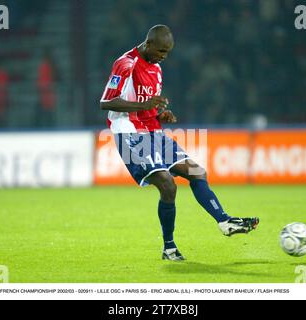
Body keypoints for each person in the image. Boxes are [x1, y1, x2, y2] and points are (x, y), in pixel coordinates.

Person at [100, 25, 259, 261]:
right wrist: (144, 107)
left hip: (153, 131)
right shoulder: (126, 63)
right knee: (167, 184)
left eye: (168, 52)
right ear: (148, 43)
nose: (164, 56)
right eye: (161, 51)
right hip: (129, 133)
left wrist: (158, 115)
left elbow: (147, 108)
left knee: (197, 171)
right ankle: (170, 248)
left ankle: (225, 221)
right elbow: (107, 102)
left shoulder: (157, 69)